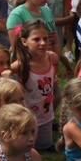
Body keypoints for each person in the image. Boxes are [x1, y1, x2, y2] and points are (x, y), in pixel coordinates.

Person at [9, 19, 58, 150]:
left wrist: (54, 77)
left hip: (47, 114)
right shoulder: (21, 65)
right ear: (24, 41)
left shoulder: (51, 57)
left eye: (45, 39)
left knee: (45, 145)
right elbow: (5, 72)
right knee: (26, 146)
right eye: (36, 39)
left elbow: (56, 64)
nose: (43, 43)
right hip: (27, 117)